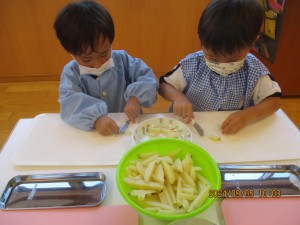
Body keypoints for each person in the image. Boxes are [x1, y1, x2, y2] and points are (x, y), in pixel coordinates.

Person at [159, 0, 281, 135]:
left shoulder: (254, 70)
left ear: (252, 43)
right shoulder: (192, 64)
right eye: (213, 57)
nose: (222, 64)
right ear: (202, 40)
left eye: (232, 59)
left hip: (229, 133)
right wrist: (178, 97)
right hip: (189, 128)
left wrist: (247, 115)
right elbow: (164, 85)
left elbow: (274, 101)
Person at [54, 0, 157, 136]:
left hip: (130, 129)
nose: (97, 64)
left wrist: (135, 98)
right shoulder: (71, 73)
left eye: (104, 54)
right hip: (94, 135)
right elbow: (70, 104)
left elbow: (148, 79)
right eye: (86, 59)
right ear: (70, 52)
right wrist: (96, 119)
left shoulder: (124, 60)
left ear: (111, 42)